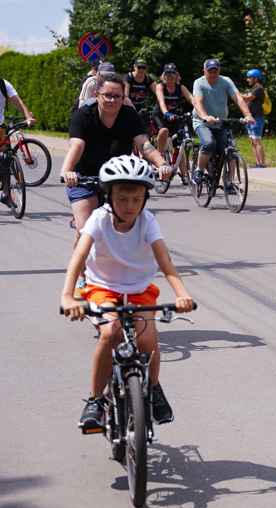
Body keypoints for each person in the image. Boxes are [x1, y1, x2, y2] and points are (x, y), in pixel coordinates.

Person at [60, 155, 194, 431]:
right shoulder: (98, 219)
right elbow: (79, 257)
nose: (129, 205)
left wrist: (182, 294)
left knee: (148, 340)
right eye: (122, 198)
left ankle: (154, 389)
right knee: (110, 333)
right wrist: (67, 296)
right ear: (108, 196)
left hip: (140, 290)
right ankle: (95, 400)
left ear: (145, 197)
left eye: (136, 199)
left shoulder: (147, 221)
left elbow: (165, 262)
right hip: (102, 289)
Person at [60, 73, 172, 298]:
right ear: (96, 95)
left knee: (126, 229)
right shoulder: (83, 116)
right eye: (107, 95)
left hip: (117, 178)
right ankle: (83, 277)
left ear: (124, 98)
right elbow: (77, 145)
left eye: (117, 96)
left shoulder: (129, 115)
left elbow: (144, 144)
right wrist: (67, 171)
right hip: (84, 177)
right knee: (84, 229)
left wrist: (162, 164)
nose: (112, 100)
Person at [191, 58, 255, 185]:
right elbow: (197, 102)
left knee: (229, 149)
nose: (213, 74)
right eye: (210, 71)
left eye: (215, 71)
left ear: (219, 71)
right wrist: (205, 116)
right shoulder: (199, 83)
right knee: (209, 144)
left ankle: (229, 182)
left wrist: (248, 115)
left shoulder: (225, 81)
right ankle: (199, 169)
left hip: (221, 122)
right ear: (204, 72)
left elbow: (238, 98)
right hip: (202, 122)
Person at [0, 71, 37, 206]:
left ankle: (5, 194)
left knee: (4, 159)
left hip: (0, 128)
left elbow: (18, 102)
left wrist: (28, 117)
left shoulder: (3, 84)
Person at [153, 63, 194, 182]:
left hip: (174, 117)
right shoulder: (160, 86)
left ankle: (185, 176)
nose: (170, 76)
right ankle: (159, 157)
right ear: (164, 75)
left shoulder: (180, 87)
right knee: (164, 130)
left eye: (173, 73)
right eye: (167, 73)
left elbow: (191, 98)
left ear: (177, 75)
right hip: (160, 115)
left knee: (179, 145)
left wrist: (200, 111)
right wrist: (166, 112)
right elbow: (161, 101)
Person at [240, 68, 267, 168]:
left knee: (257, 141)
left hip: (257, 118)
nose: (247, 80)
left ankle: (262, 163)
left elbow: (247, 98)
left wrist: (234, 92)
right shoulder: (252, 89)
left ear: (256, 78)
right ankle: (258, 162)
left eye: (250, 78)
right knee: (253, 141)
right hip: (251, 118)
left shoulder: (259, 89)